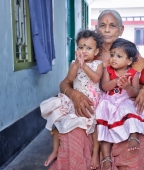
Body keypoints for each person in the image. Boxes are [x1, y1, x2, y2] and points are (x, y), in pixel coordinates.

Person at [56, 9, 144, 170]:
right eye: (102, 25)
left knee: (137, 143)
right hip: (91, 112)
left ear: (121, 29)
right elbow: (65, 83)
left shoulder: (131, 56)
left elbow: (138, 82)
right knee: (73, 136)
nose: (107, 30)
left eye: (112, 26)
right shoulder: (88, 53)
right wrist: (74, 94)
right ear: (97, 29)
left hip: (121, 111)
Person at [40, 30, 103, 169]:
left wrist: (84, 66)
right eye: (81, 47)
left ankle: (95, 154)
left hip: (91, 100)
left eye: (89, 48)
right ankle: (55, 151)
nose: (84, 51)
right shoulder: (75, 63)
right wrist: (76, 65)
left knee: (95, 127)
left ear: (96, 51)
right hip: (74, 100)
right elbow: (69, 79)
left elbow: (96, 78)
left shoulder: (98, 64)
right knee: (60, 121)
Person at [95, 38, 144, 170]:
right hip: (109, 101)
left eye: (119, 56)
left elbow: (134, 93)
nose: (113, 58)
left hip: (125, 99)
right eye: (112, 55)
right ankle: (106, 157)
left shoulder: (133, 74)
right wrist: (116, 82)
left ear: (129, 60)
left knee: (130, 108)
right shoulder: (107, 70)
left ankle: (133, 135)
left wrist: (127, 86)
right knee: (103, 124)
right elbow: (105, 86)